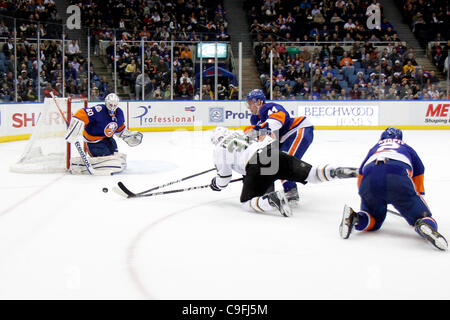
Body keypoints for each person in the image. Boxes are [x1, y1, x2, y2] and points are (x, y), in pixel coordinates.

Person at [339, 127, 447, 251]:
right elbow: (419, 171)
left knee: (373, 219)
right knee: (421, 216)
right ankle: (425, 224)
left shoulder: (375, 148)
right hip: (396, 175)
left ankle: (356, 218)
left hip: (369, 179)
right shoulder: (406, 147)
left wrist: (367, 196)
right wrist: (416, 195)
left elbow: (362, 172)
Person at [209, 127, 357, 217]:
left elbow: (224, 178)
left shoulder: (218, 149)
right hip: (273, 153)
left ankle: (271, 200)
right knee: (310, 173)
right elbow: (264, 137)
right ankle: (334, 172)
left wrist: (215, 184)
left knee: (246, 203)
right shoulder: (241, 133)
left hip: (256, 165)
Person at [244, 89, 314, 206]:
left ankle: (291, 191)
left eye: (251, 103)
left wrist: (254, 132)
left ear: (259, 102)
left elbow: (274, 123)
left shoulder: (270, 107)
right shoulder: (255, 119)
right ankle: (271, 190)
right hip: (284, 138)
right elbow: (262, 140)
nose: (249, 107)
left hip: (298, 131)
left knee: (282, 162)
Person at [64, 93, 143, 175]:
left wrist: (127, 135)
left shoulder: (119, 113)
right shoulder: (99, 110)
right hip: (94, 142)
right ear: (106, 103)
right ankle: (78, 163)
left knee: (114, 158)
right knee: (109, 162)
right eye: (110, 104)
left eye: (114, 105)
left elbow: (119, 128)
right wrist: (74, 124)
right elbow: (82, 112)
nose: (112, 107)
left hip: (108, 140)